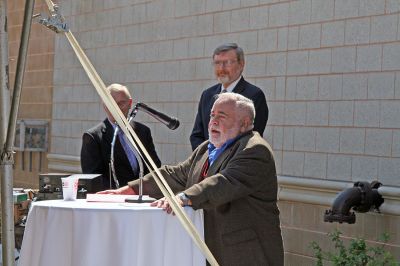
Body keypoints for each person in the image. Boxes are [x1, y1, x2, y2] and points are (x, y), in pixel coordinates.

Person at [100, 92, 284, 266]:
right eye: (212, 115)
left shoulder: (255, 150)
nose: (213, 121)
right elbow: (176, 174)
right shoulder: (206, 148)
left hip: (246, 253)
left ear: (244, 123)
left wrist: (182, 198)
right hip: (211, 249)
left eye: (222, 116)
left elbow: (223, 183)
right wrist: (129, 190)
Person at [80, 83, 161, 189]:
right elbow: (93, 178)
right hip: (113, 200)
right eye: (111, 104)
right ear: (104, 105)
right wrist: (124, 191)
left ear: (130, 103)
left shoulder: (143, 132)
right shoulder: (93, 137)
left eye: (121, 103)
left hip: (143, 197)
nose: (116, 109)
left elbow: (154, 167)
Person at [190, 43, 269, 150]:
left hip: (237, 163)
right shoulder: (207, 95)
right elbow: (196, 136)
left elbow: (251, 139)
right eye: (217, 63)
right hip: (208, 163)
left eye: (227, 63)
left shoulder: (254, 95)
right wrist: (209, 158)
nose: (221, 68)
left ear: (241, 64)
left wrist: (220, 159)